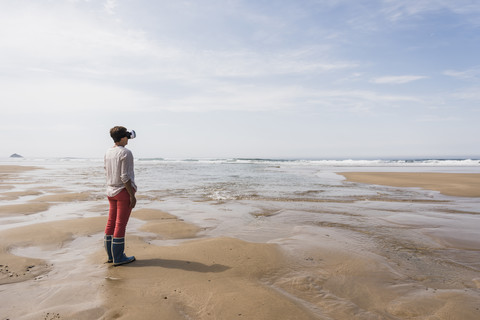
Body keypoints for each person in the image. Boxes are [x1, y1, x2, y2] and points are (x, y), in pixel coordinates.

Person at [103, 126, 137, 266]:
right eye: (127, 136)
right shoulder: (126, 152)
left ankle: (111, 256)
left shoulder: (108, 152)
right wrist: (132, 195)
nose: (128, 138)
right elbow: (125, 176)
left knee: (111, 223)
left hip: (110, 191)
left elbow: (107, 170)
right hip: (123, 191)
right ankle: (119, 258)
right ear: (123, 137)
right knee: (120, 224)